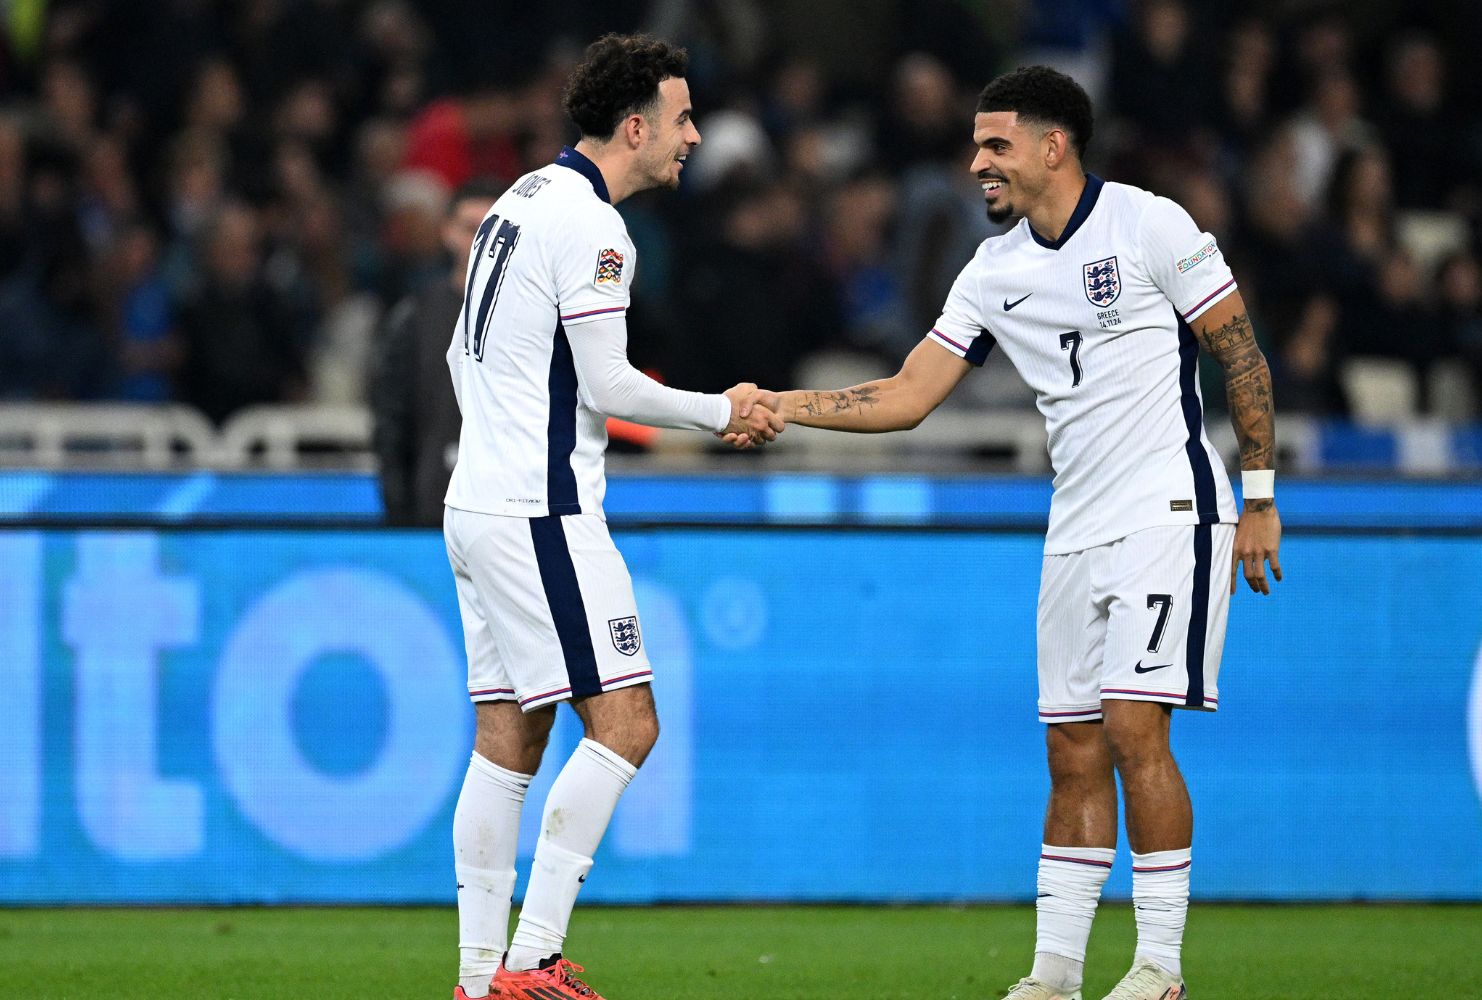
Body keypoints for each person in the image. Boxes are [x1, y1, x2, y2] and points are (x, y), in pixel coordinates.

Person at [752, 66, 1282, 1000]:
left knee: (1132, 730)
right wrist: (782, 405)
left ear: (1053, 145)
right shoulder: (992, 269)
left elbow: (1238, 349)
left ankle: (1160, 968)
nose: (976, 163)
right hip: (1073, 525)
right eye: (975, 145)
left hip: (1169, 507)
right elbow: (909, 396)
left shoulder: (1149, 223)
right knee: (1071, 748)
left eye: (994, 145)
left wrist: (1262, 496)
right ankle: (1055, 975)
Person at [442, 33, 779, 1000]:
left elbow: (462, 359)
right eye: (680, 119)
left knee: (507, 737)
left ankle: (477, 981)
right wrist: (722, 410)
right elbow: (608, 382)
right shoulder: (594, 227)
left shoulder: (511, 205)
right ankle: (533, 961)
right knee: (628, 723)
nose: (693, 136)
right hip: (541, 512)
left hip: (477, 502)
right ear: (634, 127)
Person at [373, 177, 507, 527]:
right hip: (431, 508)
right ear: (447, 232)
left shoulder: (538, 317)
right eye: (470, 227)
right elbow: (391, 420)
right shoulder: (415, 316)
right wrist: (398, 509)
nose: (481, 240)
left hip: (511, 511)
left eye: (492, 228)